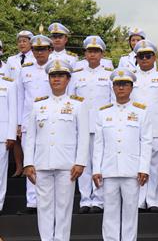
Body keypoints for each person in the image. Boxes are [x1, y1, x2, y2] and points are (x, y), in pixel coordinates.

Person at [23, 59, 89, 241]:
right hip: (42, 162)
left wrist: (80, 162)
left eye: (61, 76)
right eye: (53, 76)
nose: (56, 79)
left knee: (63, 206)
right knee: (43, 207)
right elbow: (30, 137)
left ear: (68, 79)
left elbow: (83, 136)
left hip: (67, 163)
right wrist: (28, 162)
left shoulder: (78, 104)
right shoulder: (38, 105)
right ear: (49, 79)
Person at [93, 69, 152, 241]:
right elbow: (98, 144)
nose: (121, 88)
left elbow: (146, 142)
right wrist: (96, 169)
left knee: (130, 213)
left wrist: (144, 168)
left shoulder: (141, 111)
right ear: (112, 87)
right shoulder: (103, 112)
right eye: (117, 84)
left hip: (132, 169)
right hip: (109, 170)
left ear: (131, 87)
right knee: (109, 213)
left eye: (125, 84)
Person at [68, 36, 113, 213]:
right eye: (89, 51)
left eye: (96, 51)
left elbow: (113, 101)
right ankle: (85, 199)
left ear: (102, 54)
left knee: (100, 163)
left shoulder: (109, 74)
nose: (92, 54)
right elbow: (71, 100)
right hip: (82, 125)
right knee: (83, 162)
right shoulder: (76, 75)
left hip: (102, 124)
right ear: (85, 54)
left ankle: (99, 199)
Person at [130, 40, 158, 211]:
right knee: (139, 164)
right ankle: (139, 200)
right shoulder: (131, 76)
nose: (145, 59)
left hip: (157, 127)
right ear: (137, 58)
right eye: (141, 56)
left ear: (155, 57)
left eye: (148, 56)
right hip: (136, 127)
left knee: (156, 164)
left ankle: (154, 200)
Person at [17, 34, 54, 214]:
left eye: (43, 49)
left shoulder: (56, 69)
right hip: (28, 122)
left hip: (50, 122)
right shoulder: (25, 70)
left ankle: (48, 201)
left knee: (49, 162)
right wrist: (18, 123)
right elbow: (19, 98)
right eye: (36, 49)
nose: (39, 52)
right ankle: (32, 202)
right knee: (29, 162)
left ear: (50, 50)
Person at [6, 30, 33, 179]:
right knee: (15, 135)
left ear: (30, 43)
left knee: (27, 135)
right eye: (20, 41)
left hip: (28, 100)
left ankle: (29, 165)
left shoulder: (35, 58)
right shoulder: (11, 60)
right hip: (14, 99)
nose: (22, 43)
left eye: (25, 41)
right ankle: (18, 167)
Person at [0, 57, 17, 214]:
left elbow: (13, 111)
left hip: (1, 135)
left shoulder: (8, 83)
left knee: (0, 172)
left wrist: (11, 135)